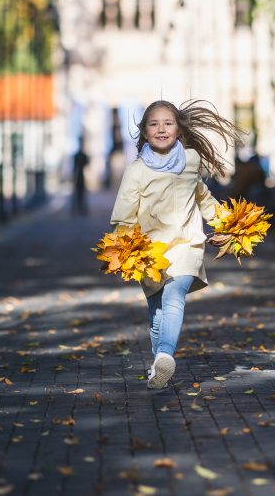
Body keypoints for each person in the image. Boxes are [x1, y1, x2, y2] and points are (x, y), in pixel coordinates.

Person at [109, 100, 241, 389]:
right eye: (154, 124)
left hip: (186, 244)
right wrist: (124, 248)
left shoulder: (191, 161)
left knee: (174, 296)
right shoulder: (136, 171)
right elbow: (124, 214)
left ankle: (166, 353)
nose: (161, 129)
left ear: (179, 128)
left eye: (168, 123)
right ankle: (160, 365)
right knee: (156, 315)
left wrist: (228, 224)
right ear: (144, 132)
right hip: (149, 252)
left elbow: (203, 198)